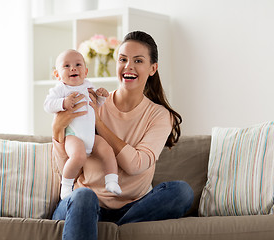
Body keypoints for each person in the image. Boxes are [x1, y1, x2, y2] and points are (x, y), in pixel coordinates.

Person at [51, 31, 194, 240]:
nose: (128, 66)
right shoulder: (91, 100)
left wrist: (99, 124)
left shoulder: (159, 115)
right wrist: (57, 131)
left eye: (138, 61)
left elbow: (135, 165)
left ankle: (112, 229)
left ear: (153, 68)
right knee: (82, 195)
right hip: (87, 204)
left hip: (133, 208)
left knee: (182, 192)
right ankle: (108, 229)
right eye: (123, 59)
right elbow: (67, 167)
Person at [44, 49, 122, 199]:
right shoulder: (61, 89)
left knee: (107, 150)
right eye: (66, 66)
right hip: (73, 135)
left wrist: (101, 96)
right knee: (78, 157)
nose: (73, 68)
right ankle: (66, 186)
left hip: (91, 135)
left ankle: (111, 180)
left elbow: (95, 104)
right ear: (57, 75)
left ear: (85, 71)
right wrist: (63, 103)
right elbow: (48, 105)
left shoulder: (87, 85)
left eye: (78, 64)